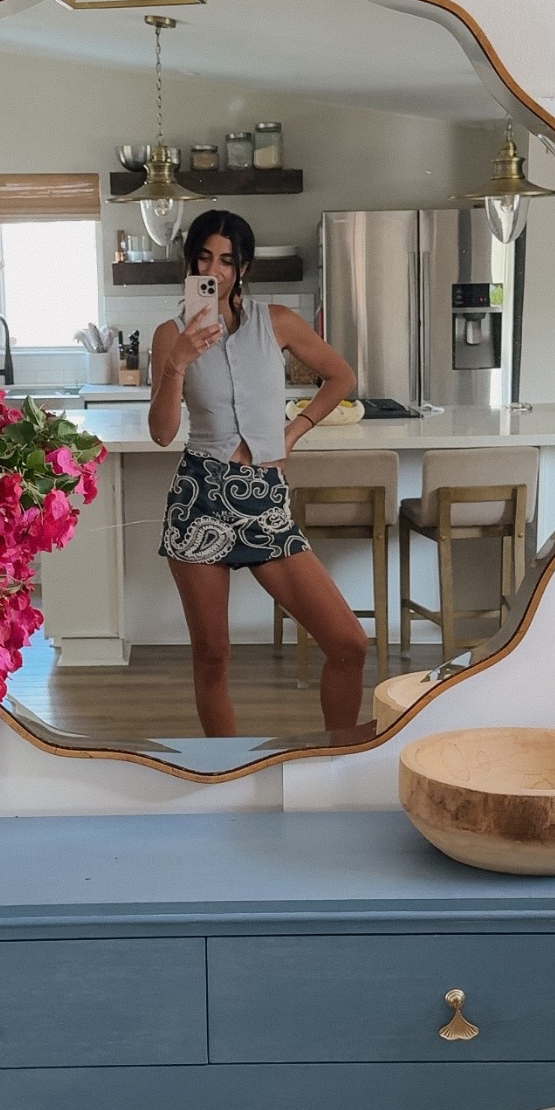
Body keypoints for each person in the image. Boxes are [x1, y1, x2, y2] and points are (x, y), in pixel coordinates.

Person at [149, 208, 370, 739]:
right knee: (213, 657)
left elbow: (341, 376)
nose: (216, 270)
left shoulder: (278, 324)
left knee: (347, 642)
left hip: (265, 502)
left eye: (227, 259)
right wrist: (177, 363)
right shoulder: (168, 334)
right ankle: (225, 776)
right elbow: (161, 432)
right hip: (200, 498)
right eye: (205, 257)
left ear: (243, 266)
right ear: (190, 262)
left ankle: (335, 759)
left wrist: (293, 432)